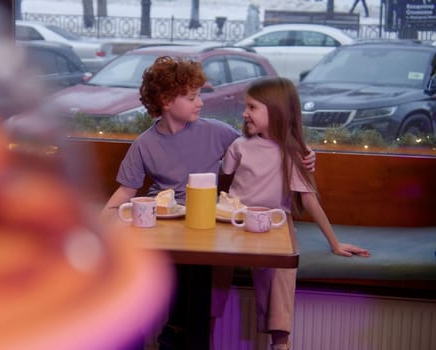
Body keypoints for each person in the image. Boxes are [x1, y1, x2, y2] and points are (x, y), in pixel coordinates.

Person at [101, 56, 316, 350]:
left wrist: (303, 154)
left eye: (199, 94)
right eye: (192, 97)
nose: (200, 102)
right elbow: (125, 192)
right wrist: (101, 224)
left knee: (199, 267)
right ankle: (151, 334)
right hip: (162, 226)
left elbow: (259, 147)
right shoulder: (144, 144)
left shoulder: (216, 132)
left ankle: (180, 335)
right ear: (166, 101)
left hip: (203, 222)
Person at [219, 77, 371, 350]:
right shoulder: (239, 147)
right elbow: (222, 185)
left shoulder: (292, 154)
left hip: (274, 227)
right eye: (246, 107)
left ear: (276, 111)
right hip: (236, 223)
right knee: (215, 264)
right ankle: (202, 326)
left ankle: (281, 341)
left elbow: (309, 200)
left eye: (252, 107)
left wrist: (335, 243)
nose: (244, 113)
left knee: (281, 268)